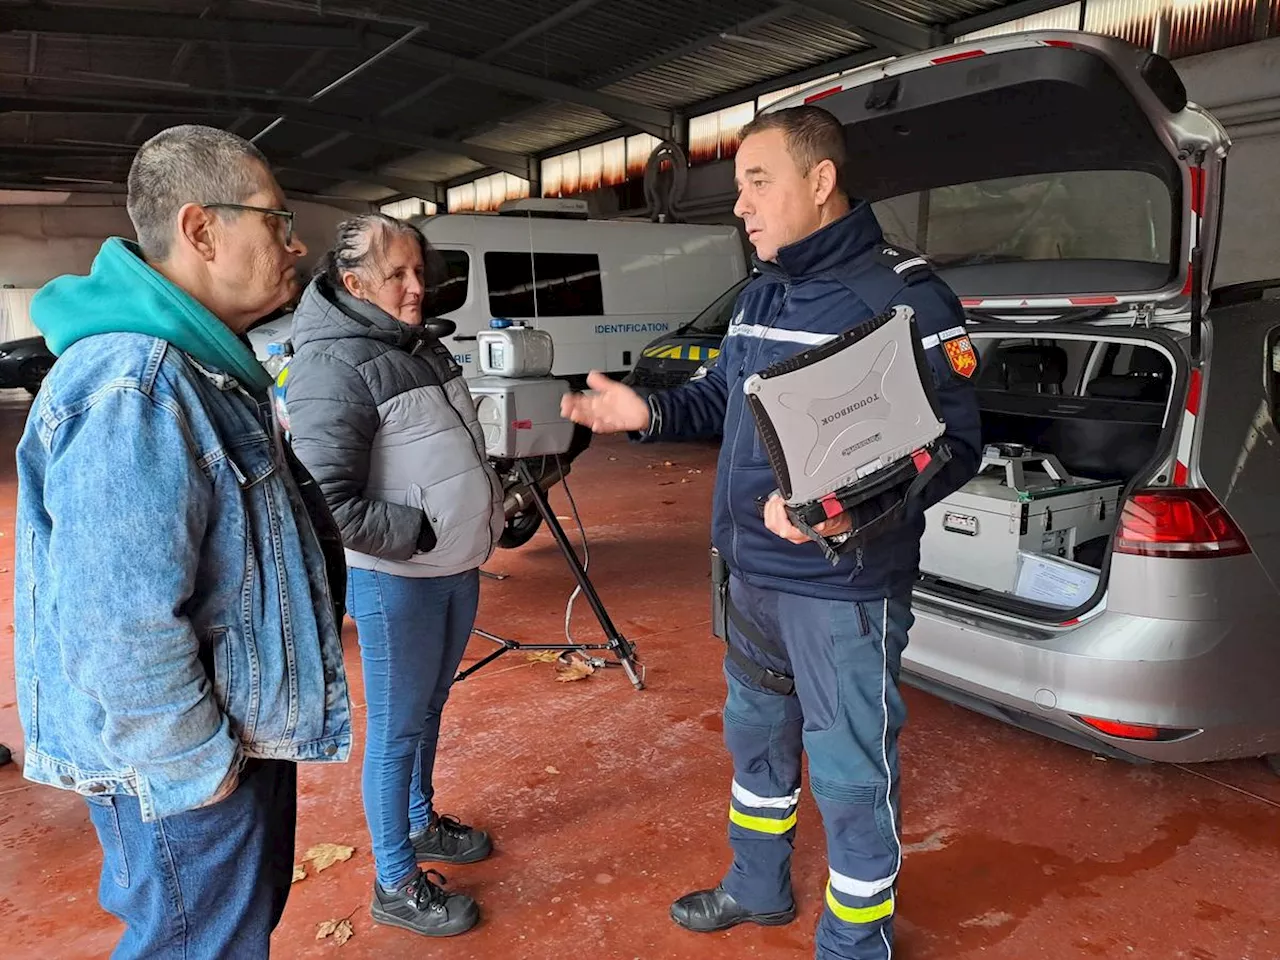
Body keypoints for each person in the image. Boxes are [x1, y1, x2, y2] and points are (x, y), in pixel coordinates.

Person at [561, 105, 982, 960]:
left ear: (820, 182)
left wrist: (830, 508)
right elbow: (723, 399)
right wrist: (645, 410)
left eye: (759, 182)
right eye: (739, 188)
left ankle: (855, 943)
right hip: (750, 574)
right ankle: (758, 884)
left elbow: (951, 444)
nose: (741, 205)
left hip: (841, 587)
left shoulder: (900, 298)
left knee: (850, 771)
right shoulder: (762, 292)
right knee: (755, 740)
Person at [13, 124, 352, 959]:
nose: (295, 241)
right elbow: (119, 625)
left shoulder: (195, 366)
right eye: (275, 219)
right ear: (202, 230)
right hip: (187, 770)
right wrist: (201, 772)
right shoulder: (139, 381)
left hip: (219, 746)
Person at [284, 213, 503, 939]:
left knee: (431, 705)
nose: (418, 288)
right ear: (353, 284)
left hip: (452, 565)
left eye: (420, 272)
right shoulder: (331, 366)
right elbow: (325, 495)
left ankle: (419, 821)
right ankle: (394, 879)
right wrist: (417, 532)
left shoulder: (415, 345)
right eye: (398, 276)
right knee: (399, 727)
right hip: (397, 577)